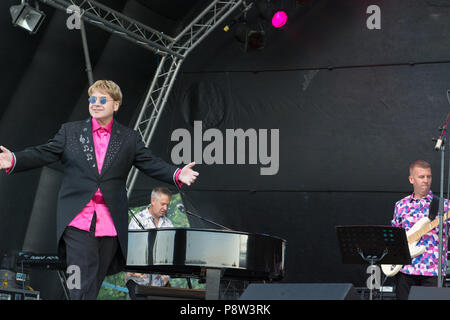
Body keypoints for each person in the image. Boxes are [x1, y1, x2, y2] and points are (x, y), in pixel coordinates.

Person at [0, 80, 199, 300]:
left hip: (109, 223)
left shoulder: (128, 139)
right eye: (92, 99)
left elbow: (150, 162)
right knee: (80, 281)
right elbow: (43, 153)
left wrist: (177, 173)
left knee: (92, 282)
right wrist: (15, 159)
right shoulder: (71, 132)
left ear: (116, 105)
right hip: (78, 220)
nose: (95, 103)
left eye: (102, 99)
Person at [391, 160, 449, 300]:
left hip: (432, 271)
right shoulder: (401, 205)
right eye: (421, 177)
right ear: (411, 179)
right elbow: (395, 237)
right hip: (405, 269)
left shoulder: (444, 205)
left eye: (428, 177)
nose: (426, 180)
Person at [125, 187, 174, 290]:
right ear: (153, 201)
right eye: (162, 204)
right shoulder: (138, 220)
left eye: (167, 205)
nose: (165, 208)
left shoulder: (169, 224)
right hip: (137, 281)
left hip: (161, 283)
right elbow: (131, 250)